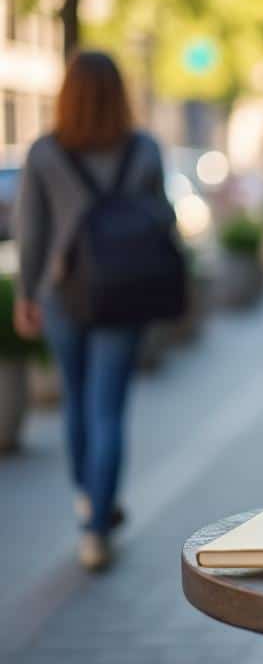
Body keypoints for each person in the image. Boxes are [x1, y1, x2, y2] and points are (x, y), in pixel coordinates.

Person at [13, 51, 167, 570]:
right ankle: (97, 525)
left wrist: (25, 296)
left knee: (76, 403)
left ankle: (91, 504)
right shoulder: (144, 150)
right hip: (126, 295)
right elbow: (163, 219)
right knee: (108, 410)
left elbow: (30, 231)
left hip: (62, 294)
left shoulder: (45, 153)